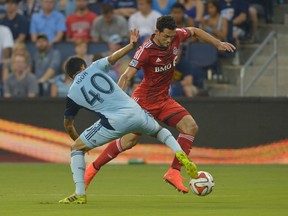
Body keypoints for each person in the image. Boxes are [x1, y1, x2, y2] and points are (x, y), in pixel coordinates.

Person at [85, 15, 235, 194]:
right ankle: (93, 168)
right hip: (143, 102)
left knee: (190, 127)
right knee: (129, 141)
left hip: (164, 100)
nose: (169, 40)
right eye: (165, 37)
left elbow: (195, 31)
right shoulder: (145, 50)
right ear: (157, 32)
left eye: (172, 37)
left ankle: (173, 171)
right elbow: (126, 76)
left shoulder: (176, 35)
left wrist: (217, 43)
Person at [58, 29, 198, 204]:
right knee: (160, 131)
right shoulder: (94, 67)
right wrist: (131, 45)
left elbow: (68, 124)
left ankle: (80, 193)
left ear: (70, 76)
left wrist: (80, 141)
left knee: (76, 148)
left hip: (114, 122)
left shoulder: (72, 93)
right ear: (83, 66)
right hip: (137, 109)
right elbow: (114, 57)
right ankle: (179, 153)